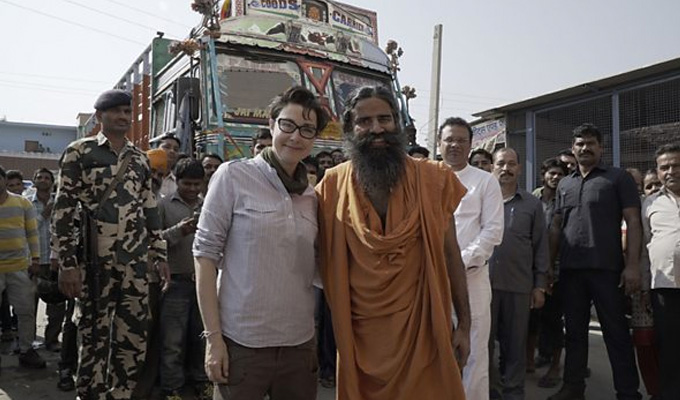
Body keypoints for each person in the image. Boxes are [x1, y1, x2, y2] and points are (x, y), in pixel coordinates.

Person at [316, 86, 470, 400]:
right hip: (360, 334)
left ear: (397, 123)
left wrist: (464, 324)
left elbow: (451, 254)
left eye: (384, 119)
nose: (376, 129)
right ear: (350, 128)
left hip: (424, 329)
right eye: (365, 121)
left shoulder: (434, 178)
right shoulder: (332, 185)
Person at [194, 86, 328, 400]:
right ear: (271, 125)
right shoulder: (233, 176)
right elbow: (204, 256)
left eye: (307, 130)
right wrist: (214, 340)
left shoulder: (313, 198)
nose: (296, 137)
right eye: (288, 125)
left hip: (299, 346)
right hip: (242, 345)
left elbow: (323, 267)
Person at [52, 89, 169, 399]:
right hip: (95, 262)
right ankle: (89, 393)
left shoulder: (140, 158)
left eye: (127, 112)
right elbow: (63, 211)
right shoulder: (80, 152)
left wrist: (159, 254)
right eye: (116, 111)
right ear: (100, 115)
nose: (123, 117)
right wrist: (67, 264)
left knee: (133, 336)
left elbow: (149, 207)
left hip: (135, 262)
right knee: (93, 334)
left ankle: (121, 394)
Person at [548, 123, 642, 400]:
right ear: (573, 148)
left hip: (607, 269)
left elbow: (633, 221)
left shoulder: (617, 178)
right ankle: (573, 388)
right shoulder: (565, 183)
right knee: (574, 333)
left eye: (590, 143)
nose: (585, 148)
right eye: (579, 144)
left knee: (616, 334)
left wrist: (632, 265)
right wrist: (546, 269)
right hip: (570, 271)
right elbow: (555, 227)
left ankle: (627, 392)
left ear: (601, 148)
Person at [439, 116, 504, 400]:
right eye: (449, 139)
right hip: (430, 278)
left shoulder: (485, 181)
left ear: (470, 145)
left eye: (461, 140)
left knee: (474, 353)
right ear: (439, 143)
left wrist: (457, 262)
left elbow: (492, 232)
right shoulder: (425, 177)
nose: (454, 145)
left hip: (471, 280)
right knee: (433, 349)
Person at [488, 147, 549, 400]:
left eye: (511, 163)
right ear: (492, 167)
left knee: (515, 346)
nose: (506, 168)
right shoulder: (482, 200)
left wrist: (539, 285)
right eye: (501, 163)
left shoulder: (532, 204)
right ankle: (488, 390)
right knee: (484, 345)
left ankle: (514, 392)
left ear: (520, 168)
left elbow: (540, 246)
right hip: (484, 287)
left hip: (519, 286)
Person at [158, 158, 211, 400]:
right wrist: (179, 230)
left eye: (196, 184)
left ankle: (201, 381)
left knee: (202, 338)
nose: (191, 189)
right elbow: (152, 241)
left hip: (203, 284)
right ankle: (172, 388)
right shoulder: (163, 206)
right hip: (175, 284)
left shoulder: (209, 206)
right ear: (176, 181)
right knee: (173, 341)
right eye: (186, 183)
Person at [642, 143, 680, 399]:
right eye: (664, 167)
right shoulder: (648, 204)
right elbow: (643, 248)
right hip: (664, 286)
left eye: (676, 165)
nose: (670, 171)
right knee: (669, 349)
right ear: (657, 171)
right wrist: (644, 286)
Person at [0, 165, 46, 371]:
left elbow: (32, 234)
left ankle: (27, 351)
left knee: (26, 310)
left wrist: (35, 260)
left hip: (20, 267)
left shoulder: (22, 203)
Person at [529, 158, 569, 389]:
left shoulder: (566, 200)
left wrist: (550, 270)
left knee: (554, 319)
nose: (555, 177)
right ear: (543, 175)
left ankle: (555, 367)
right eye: (551, 173)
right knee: (534, 319)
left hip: (557, 270)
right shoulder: (533, 198)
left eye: (559, 174)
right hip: (533, 268)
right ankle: (531, 361)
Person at [30, 168, 65, 352]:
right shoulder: (27, 203)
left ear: (52, 182)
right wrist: (44, 214)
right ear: (34, 181)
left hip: (55, 262)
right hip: (34, 262)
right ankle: (28, 343)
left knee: (57, 305)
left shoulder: (60, 203)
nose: (43, 180)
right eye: (39, 177)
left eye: (46, 177)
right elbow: (27, 229)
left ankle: (51, 340)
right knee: (29, 304)